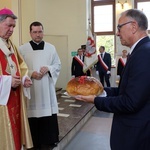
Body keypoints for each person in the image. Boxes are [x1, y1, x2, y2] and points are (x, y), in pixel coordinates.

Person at [75, 9, 150, 150]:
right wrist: (99, 90)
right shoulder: (140, 51)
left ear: (133, 26)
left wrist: (95, 100)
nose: (117, 33)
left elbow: (130, 103)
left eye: (119, 27)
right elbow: (126, 91)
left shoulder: (144, 53)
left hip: (136, 136)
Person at [19, 21, 61, 149]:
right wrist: (31, 73)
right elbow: (20, 68)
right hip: (31, 87)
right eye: (35, 32)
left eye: (40, 31)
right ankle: (33, 140)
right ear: (30, 33)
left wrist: (48, 68)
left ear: (43, 32)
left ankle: (49, 139)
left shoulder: (51, 48)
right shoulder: (22, 49)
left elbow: (57, 65)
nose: (38, 34)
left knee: (48, 114)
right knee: (32, 115)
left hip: (46, 87)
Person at [0, 8, 33, 150]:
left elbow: (21, 65)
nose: (12, 29)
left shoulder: (11, 46)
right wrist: (7, 82)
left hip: (15, 97)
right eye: (9, 25)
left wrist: (24, 78)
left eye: (13, 26)